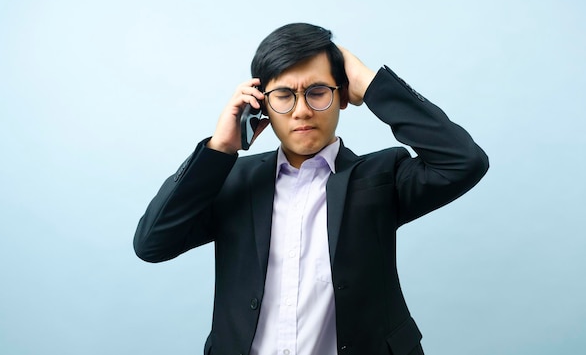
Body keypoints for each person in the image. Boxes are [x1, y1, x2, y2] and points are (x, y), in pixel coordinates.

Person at [133, 23, 489, 355]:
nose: (302, 110)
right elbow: (152, 243)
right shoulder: (231, 181)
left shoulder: (382, 176)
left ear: (343, 96)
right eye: (284, 96)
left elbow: (464, 161)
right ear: (261, 105)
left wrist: (372, 83)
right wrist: (219, 149)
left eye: (318, 92)